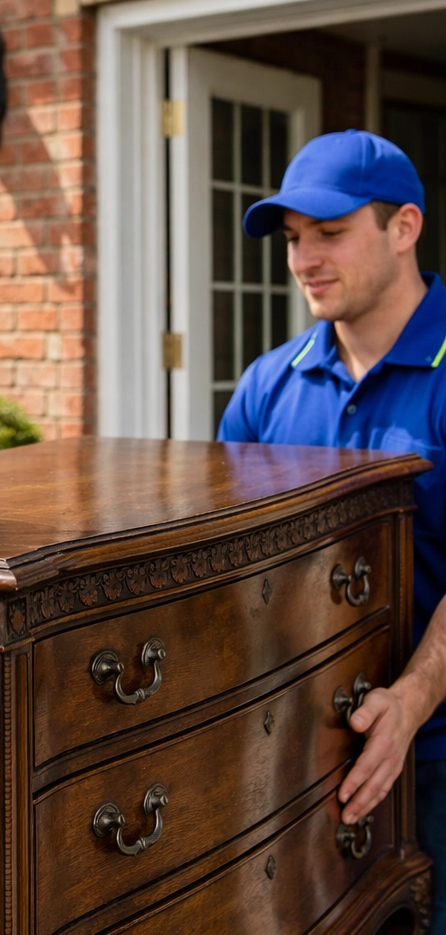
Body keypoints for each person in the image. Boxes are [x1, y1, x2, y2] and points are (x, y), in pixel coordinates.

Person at [219, 129, 446, 929]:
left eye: (330, 232)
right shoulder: (265, 386)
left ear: (404, 227)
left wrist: (414, 699)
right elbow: (234, 564)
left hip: (438, 755)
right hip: (299, 763)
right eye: (292, 239)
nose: (302, 259)